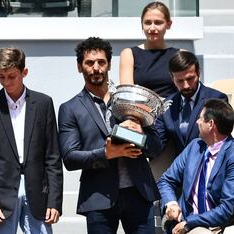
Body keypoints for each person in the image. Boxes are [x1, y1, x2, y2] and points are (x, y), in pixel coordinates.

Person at [58, 37, 161, 234]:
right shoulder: (70, 108)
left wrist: (141, 134)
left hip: (139, 193)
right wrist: (106, 153)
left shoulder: (131, 99)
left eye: (101, 62)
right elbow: (70, 158)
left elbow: (156, 147)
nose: (96, 68)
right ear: (80, 67)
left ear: (109, 65)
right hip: (98, 197)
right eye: (89, 63)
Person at [0, 47, 63, 234]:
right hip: (1, 196)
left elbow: (53, 157)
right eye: (1, 76)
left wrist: (54, 201)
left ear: (25, 72)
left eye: (11, 76)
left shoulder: (43, 103)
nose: (6, 82)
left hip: (39, 194)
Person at [158, 99, 234, 234]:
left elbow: (228, 209)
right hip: (183, 221)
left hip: (215, 225)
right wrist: (171, 204)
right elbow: (166, 180)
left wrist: (190, 222)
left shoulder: (231, 156)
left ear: (210, 124)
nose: (197, 122)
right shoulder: (195, 146)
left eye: (200, 118)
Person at [155, 51, 228, 157]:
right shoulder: (167, 106)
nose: (186, 86)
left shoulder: (216, 99)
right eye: (180, 81)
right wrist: (134, 131)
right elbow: (155, 145)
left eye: (190, 79)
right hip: (181, 170)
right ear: (172, 79)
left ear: (199, 73)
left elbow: (223, 143)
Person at [119, 1, 180, 98]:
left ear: (169, 24)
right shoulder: (129, 54)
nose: (152, 28)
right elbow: (127, 96)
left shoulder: (179, 55)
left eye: (158, 23)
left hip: (174, 112)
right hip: (139, 111)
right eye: (147, 23)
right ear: (142, 24)